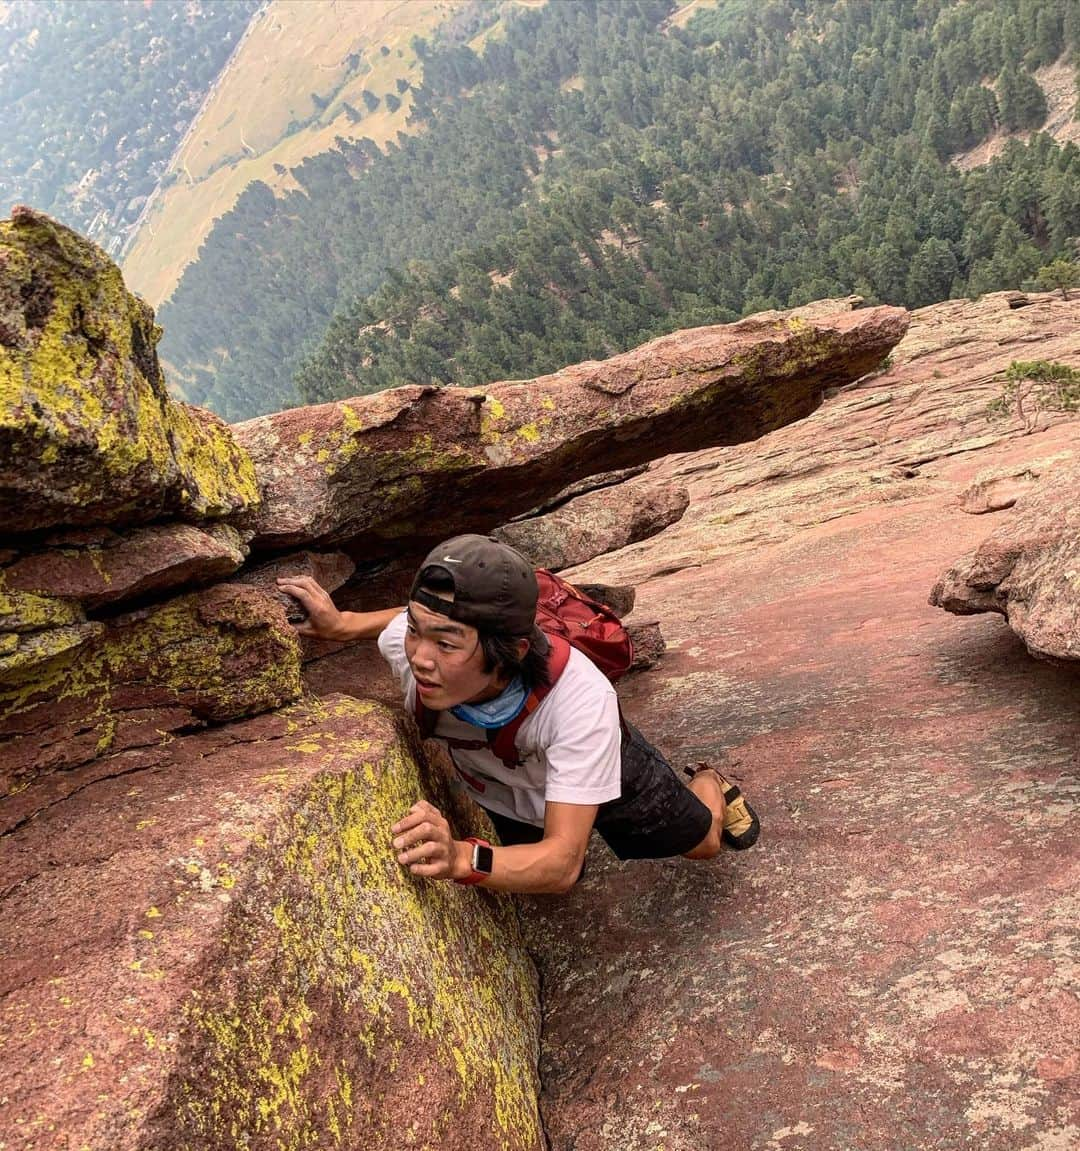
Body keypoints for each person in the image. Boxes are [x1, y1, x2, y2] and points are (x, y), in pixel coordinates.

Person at [277, 535, 758, 895]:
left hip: (605, 767)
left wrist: (462, 858)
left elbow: (560, 862)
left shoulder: (578, 702)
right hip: (507, 786)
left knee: (705, 843)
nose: (421, 657)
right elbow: (401, 622)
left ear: (511, 652)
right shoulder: (417, 648)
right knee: (550, 887)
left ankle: (709, 783)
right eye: (417, 633)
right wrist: (342, 625)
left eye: (445, 644)